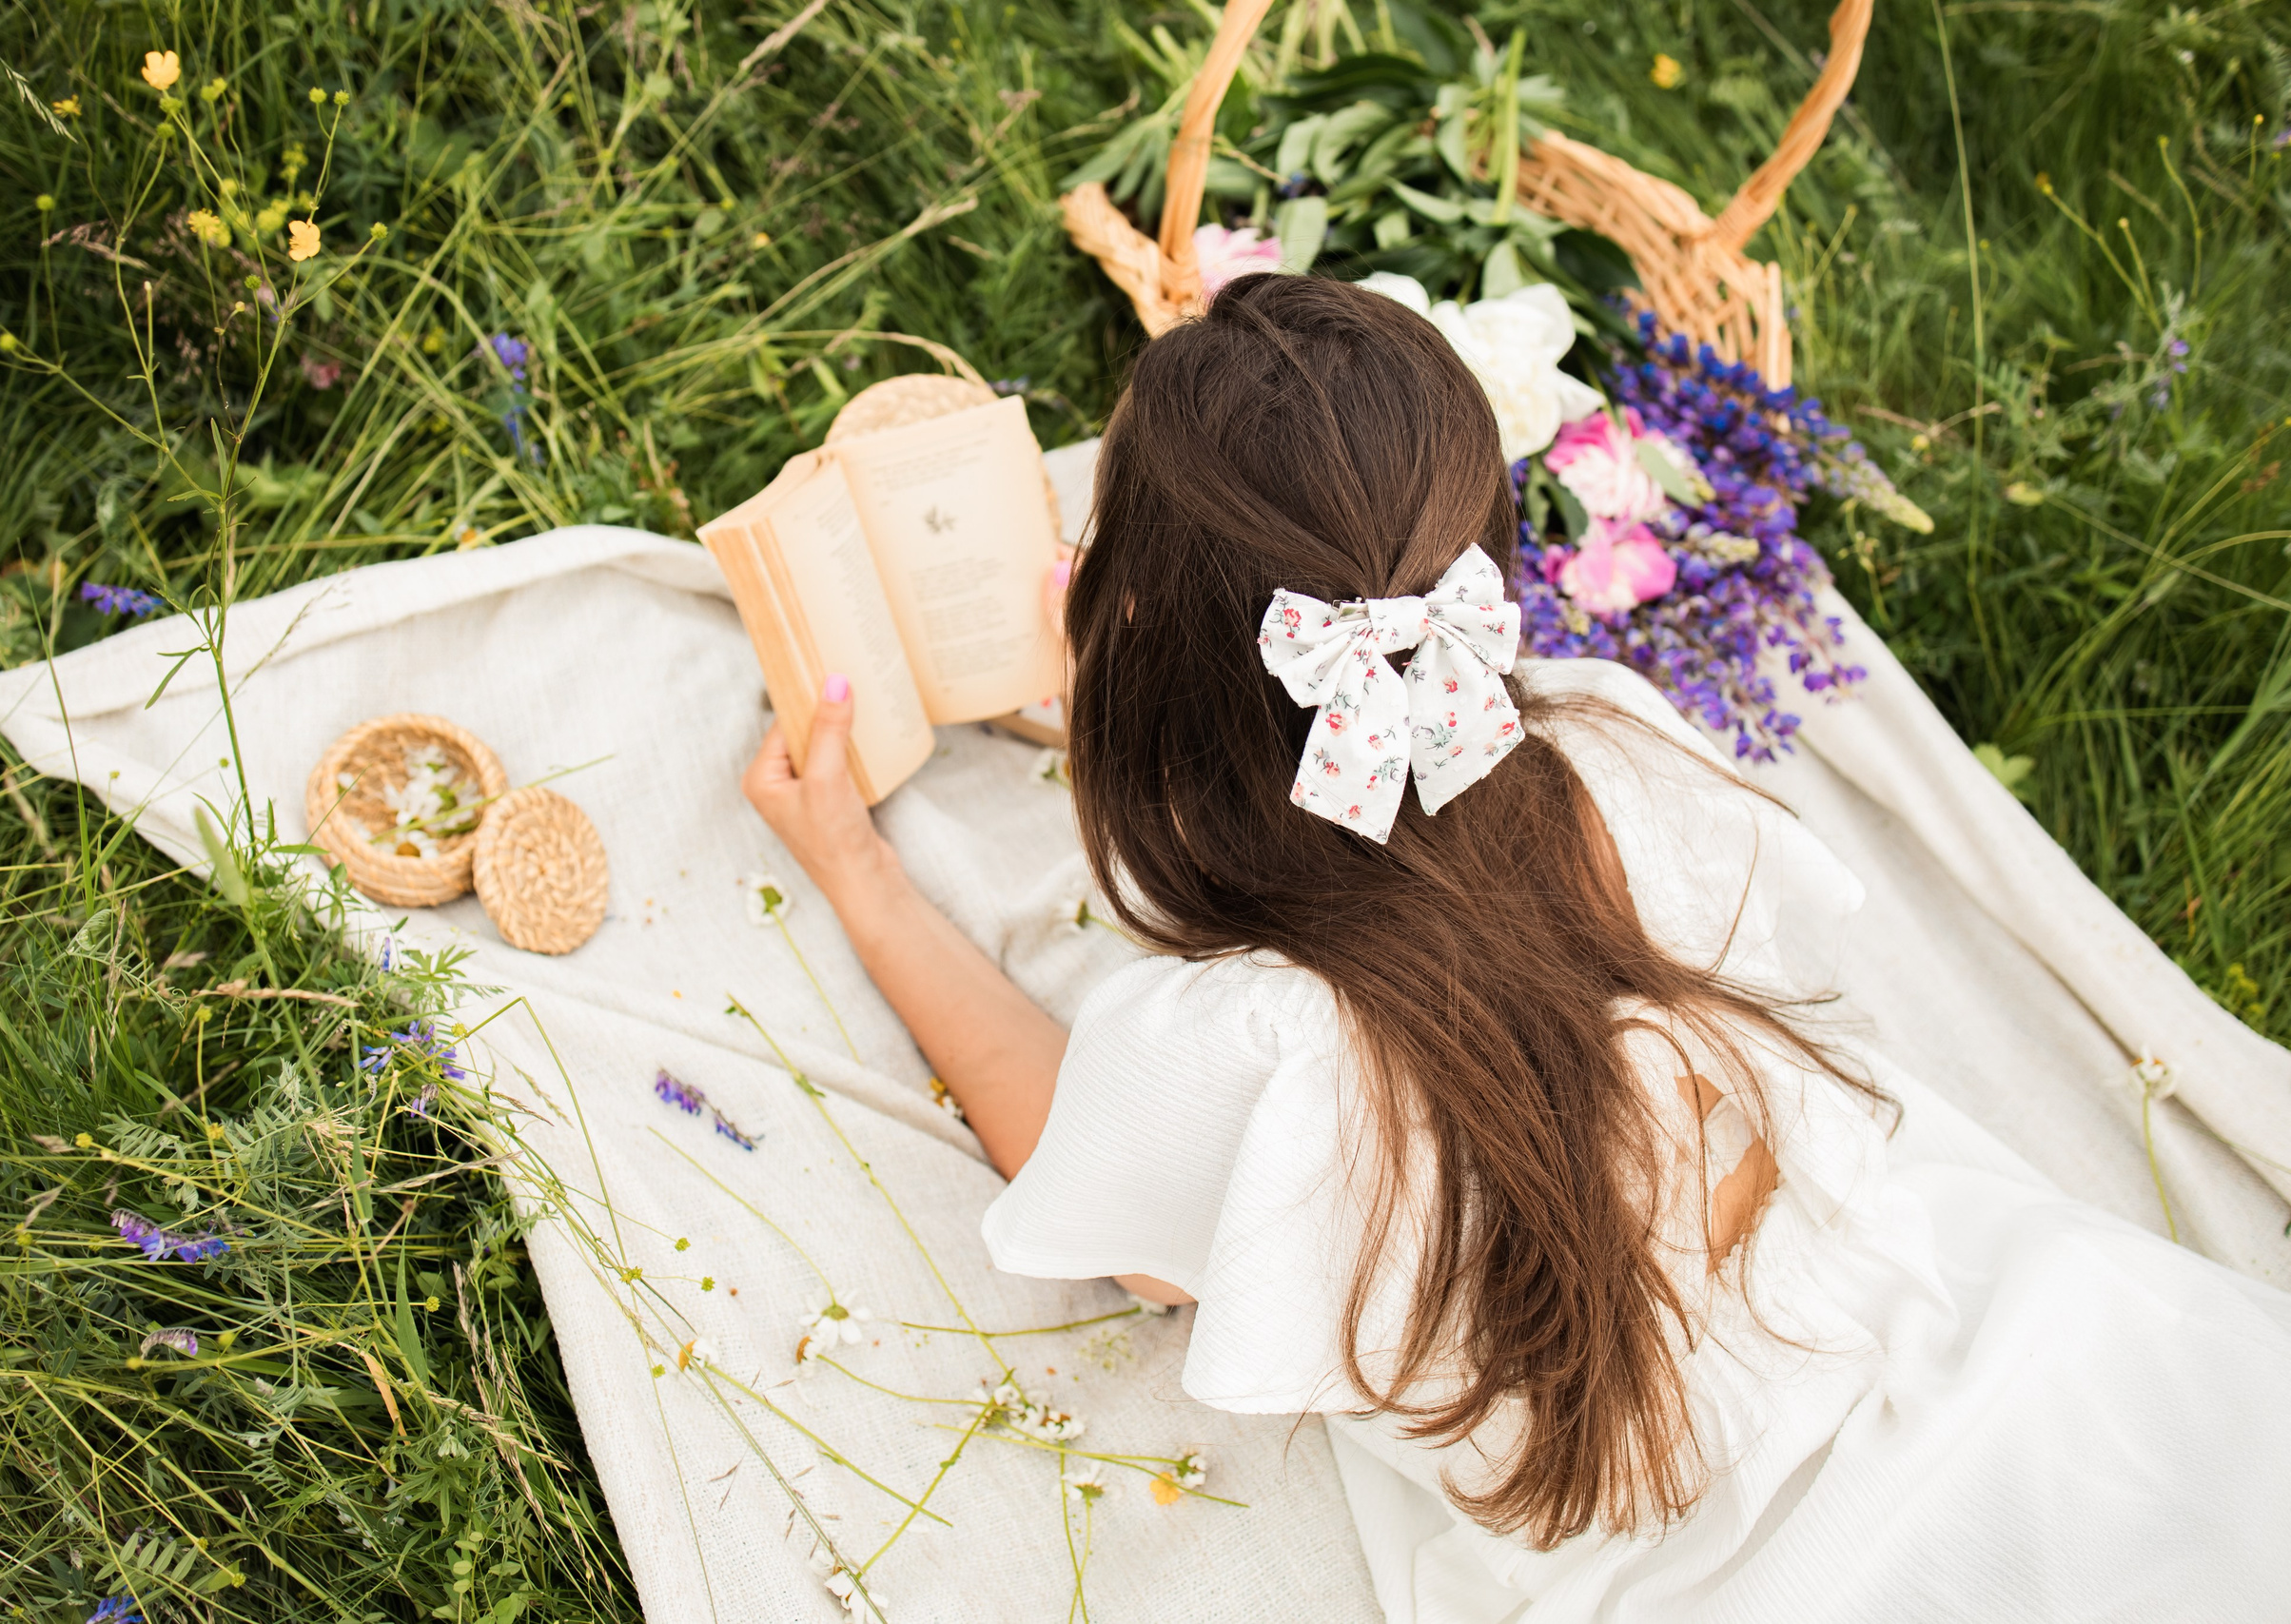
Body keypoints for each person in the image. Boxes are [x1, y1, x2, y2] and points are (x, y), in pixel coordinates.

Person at [742, 274, 2291, 1622]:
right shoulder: (1619, 752)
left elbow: (1117, 1216)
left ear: (1140, 640)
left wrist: (863, 873)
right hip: (2004, 1335)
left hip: (1754, 1569)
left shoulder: (1241, 1058)